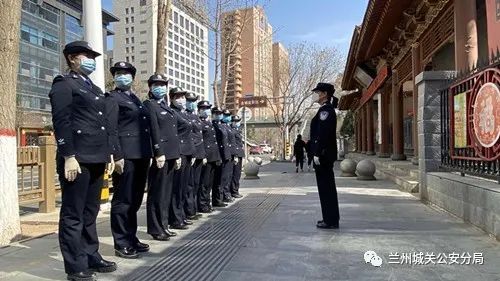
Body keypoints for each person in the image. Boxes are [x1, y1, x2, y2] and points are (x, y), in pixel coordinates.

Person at [49, 40, 116, 281]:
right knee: (73, 213)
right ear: (71, 58)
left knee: (90, 212)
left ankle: (91, 255)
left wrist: (109, 153)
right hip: (77, 158)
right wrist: (68, 156)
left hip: (96, 157)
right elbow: (62, 121)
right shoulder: (63, 84)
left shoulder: (93, 89)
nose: (91, 60)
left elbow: (103, 124)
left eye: (93, 56)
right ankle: (75, 265)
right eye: (85, 55)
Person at [106, 62, 151, 258]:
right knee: (123, 200)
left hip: (141, 154)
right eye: (118, 73)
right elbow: (111, 128)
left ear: (133, 78)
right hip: (126, 156)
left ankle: (131, 237)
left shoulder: (135, 99)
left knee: (135, 200)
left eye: (126, 73)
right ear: (114, 77)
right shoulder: (112, 98)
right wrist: (116, 155)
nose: (122, 76)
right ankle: (121, 242)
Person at [143, 74, 181, 241]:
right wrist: (158, 152)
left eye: (162, 84)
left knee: (166, 193)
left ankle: (164, 225)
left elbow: (173, 133)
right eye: (156, 84)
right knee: (157, 193)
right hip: (161, 155)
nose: (160, 87)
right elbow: (153, 129)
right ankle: (156, 228)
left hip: (172, 155)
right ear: (150, 87)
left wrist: (177, 155)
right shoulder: (150, 105)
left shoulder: (166, 107)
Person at [309, 82, 340, 229]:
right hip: (324, 155)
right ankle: (329, 218)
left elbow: (322, 135)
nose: (315, 95)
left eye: (317, 92)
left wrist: (317, 153)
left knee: (326, 188)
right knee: (326, 188)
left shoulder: (325, 111)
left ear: (324, 94)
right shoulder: (325, 110)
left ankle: (330, 220)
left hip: (323, 156)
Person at [169, 87, 196, 229]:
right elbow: (174, 135)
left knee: (184, 187)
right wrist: (177, 154)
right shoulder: (172, 112)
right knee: (177, 187)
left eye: (182, 97)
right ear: (172, 98)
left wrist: (192, 153)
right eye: (177, 97)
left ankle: (182, 215)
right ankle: (175, 218)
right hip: (179, 153)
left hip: (187, 153)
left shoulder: (183, 113)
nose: (181, 99)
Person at [197, 101, 222, 213]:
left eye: (207, 108)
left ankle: (207, 202)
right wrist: (203, 155)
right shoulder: (200, 123)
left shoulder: (209, 123)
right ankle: (203, 204)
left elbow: (214, 142)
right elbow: (201, 141)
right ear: (199, 109)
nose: (206, 110)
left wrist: (217, 157)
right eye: (204, 108)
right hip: (206, 156)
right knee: (204, 182)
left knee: (209, 183)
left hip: (213, 156)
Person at [184, 92, 205, 220]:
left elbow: (200, 137)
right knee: (189, 184)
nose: (191, 103)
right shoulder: (184, 115)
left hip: (198, 153)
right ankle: (189, 210)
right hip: (190, 153)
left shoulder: (196, 117)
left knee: (196, 183)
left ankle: (194, 208)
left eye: (193, 101)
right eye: (189, 100)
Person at [211, 107, 230, 208]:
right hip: (218, 155)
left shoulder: (221, 126)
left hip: (224, 155)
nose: (219, 115)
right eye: (216, 113)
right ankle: (217, 199)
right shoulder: (213, 126)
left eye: (220, 113)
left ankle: (221, 197)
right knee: (217, 179)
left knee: (223, 178)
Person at [222, 109, 237, 203]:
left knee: (229, 176)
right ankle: (224, 195)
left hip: (230, 154)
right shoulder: (222, 126)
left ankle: (227, 194)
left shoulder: (228, 127)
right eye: (225, 115)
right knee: (224, 177)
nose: (227, 117)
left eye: (228, 115)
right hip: (224, 154)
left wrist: (234, 155)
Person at [230, 115, 244, 198]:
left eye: (238, 121)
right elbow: (233, 143)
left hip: (239, 154)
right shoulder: (232, 130)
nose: (237, 123)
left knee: (237, 174)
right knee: (234, 174)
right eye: (235, 121)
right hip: (236, 154)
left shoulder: (238, 130)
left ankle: (235, 190)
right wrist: (235, 155)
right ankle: (234, 191)